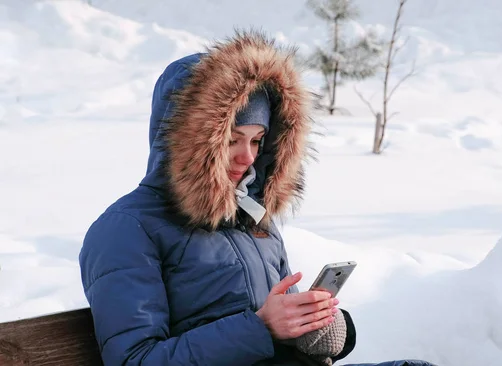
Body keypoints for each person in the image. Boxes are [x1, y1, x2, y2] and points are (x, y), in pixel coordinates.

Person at [79, 30, 436, 366]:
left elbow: (280, 319)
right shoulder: (127, 228)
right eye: (232, 140)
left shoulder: (252, 218)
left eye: (256, 140)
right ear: (190, 142)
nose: (247, 157)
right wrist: (261, 328)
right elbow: (136, 360)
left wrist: (314, 327)